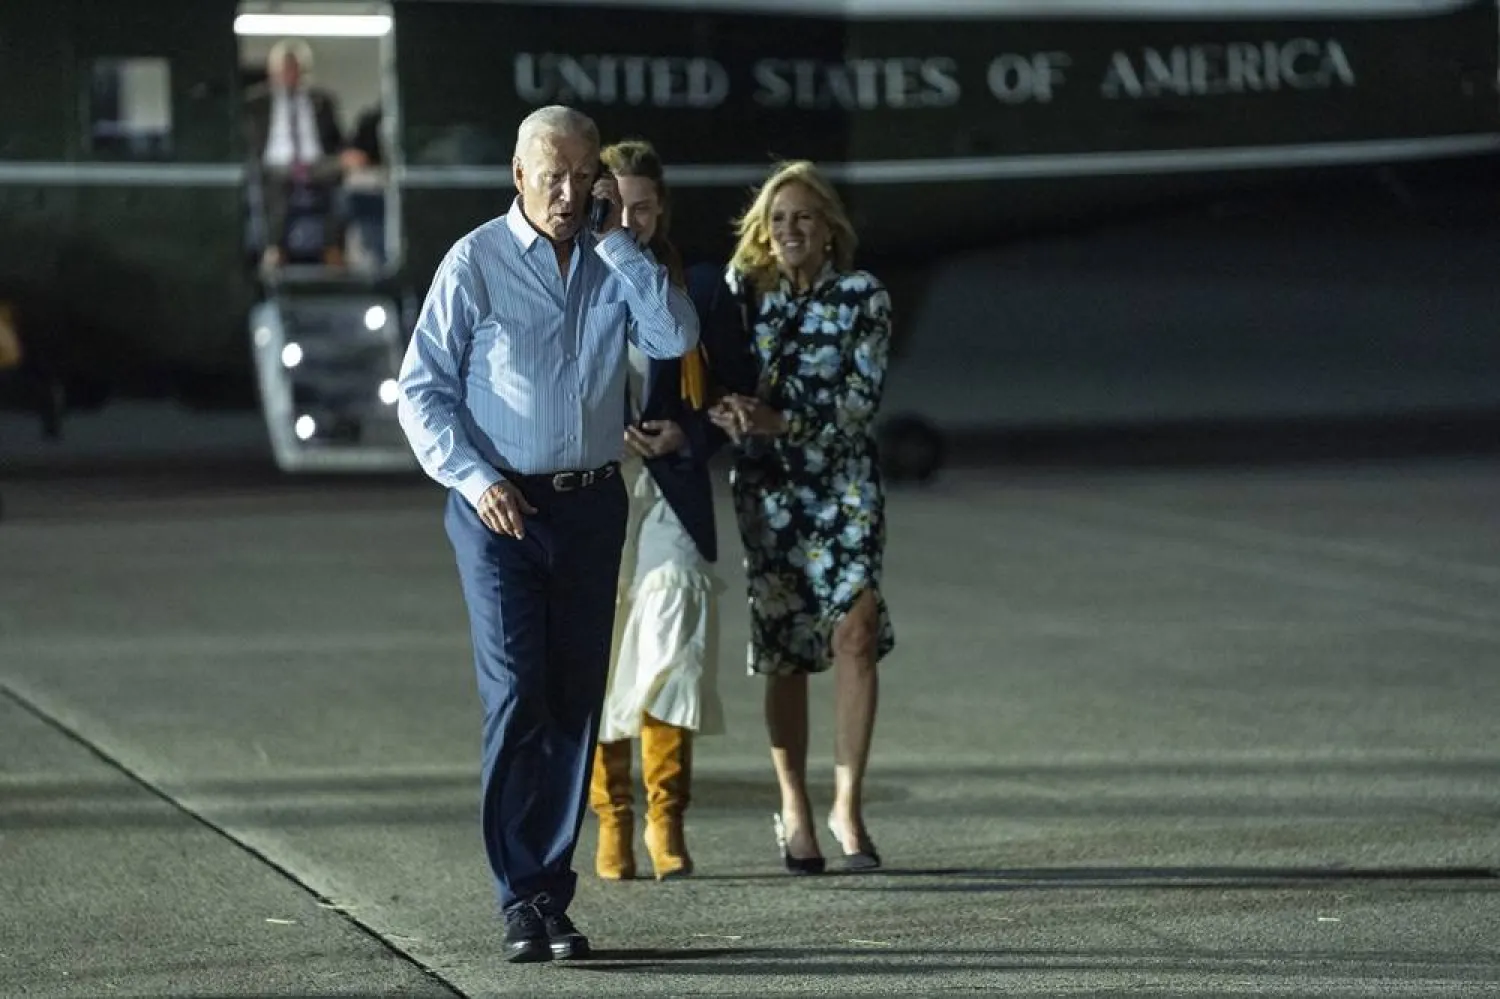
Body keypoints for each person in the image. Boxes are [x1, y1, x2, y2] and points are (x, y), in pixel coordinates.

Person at [394, 105, 700, 963]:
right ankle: (518, 893)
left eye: (582, 177)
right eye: (552, 176)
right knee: (518, 691)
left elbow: (676, 336)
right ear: (518, 176)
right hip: (500, 508)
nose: (567, 194)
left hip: (592, 502)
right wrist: (475, 476)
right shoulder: (477, 262)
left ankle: (548, 896)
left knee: (573, 700)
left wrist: (619, 244)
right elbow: (422, 390)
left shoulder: (614, 260)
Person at [707, 160, 895, 875]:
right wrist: (722, 409)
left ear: (828, 231)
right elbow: (710, 369)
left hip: (843, 482)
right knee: (786, 649)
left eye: (803, 218)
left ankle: (848, 801)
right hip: (771, 489)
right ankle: (794, 805)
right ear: (762, 231)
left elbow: (860, 401)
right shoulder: (742, 295)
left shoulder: (861, 297)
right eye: (777, 218)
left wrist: (778, 420)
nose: (789, 229)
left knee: (856, 628)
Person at [589, 139, 724, 882]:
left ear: (662, 207)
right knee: (600, 653)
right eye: (618, 206)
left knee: (672, 643)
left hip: (671, 483)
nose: (631, 221)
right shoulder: (576, 279)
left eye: (644, 206)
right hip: (597, 482)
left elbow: (733, 390)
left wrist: (688, 431)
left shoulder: (696, 285)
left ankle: (666, 818)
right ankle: (612, 819)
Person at [242, 39, 344, 271]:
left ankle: (333, 251)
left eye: (294, 68)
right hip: (273, 167)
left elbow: (337, 142)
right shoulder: (254, 103)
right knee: (269, 186)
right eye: (284, 69)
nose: (290, 74)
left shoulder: (322, 101)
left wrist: (344, 159)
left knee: (339, 184)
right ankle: (274, 250)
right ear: (273, 71)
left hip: (317, 166)